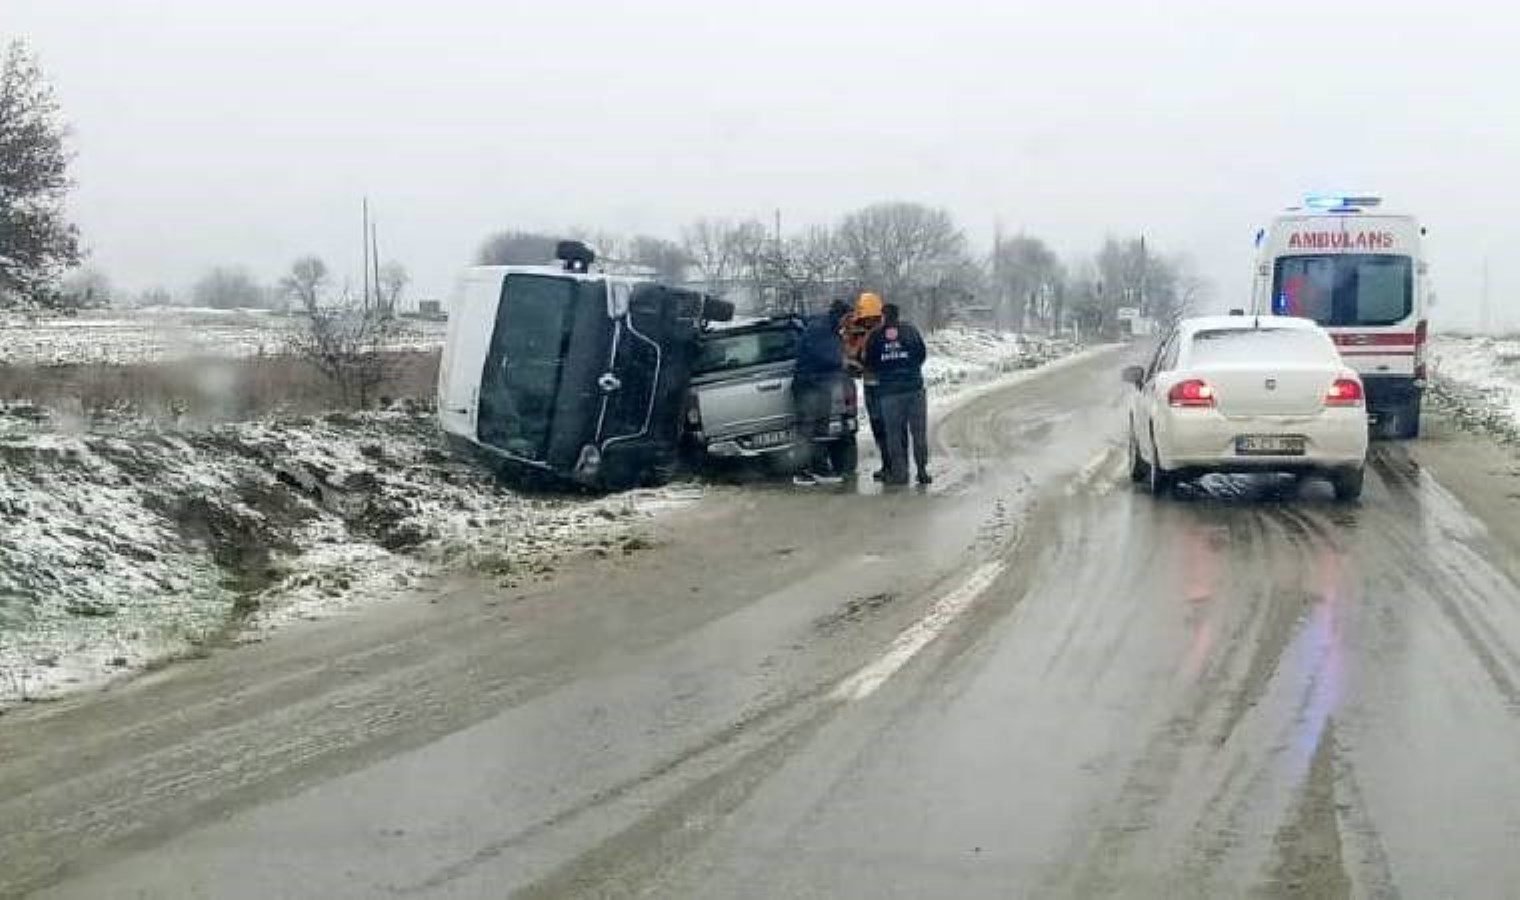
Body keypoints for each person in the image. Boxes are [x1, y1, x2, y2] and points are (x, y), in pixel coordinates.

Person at [864, 303, 931, 486]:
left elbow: (869, 362)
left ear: (883, 316)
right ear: (898, 315)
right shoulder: (910, 331)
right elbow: (922, 354)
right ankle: (922, 470)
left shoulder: (876, 336)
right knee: (919, 433)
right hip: (914, 390)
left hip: (889, 394)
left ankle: (900, 474)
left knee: (893, 435)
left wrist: (885, 372)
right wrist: (909, 368)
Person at [792, 299, 851, 485]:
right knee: (807, 429)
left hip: (820, 385)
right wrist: (844, 362)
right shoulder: (821, 329)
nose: (847, 322)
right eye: (846, 318)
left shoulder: (829, 328)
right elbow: (827, 356)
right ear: (839, 315)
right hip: (809, 385)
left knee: (820, 428)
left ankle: (819, 468)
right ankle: (802, 471)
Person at [839, 292, 887, 479]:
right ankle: (888, 462)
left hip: (884, 387)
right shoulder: (853, 332)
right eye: (867, 319)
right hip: (872, 386)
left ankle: (892, 463)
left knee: (886, 427)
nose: (870, 323)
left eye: (873, 319)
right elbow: (848, 354)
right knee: (878, 426)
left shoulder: (883, 333)